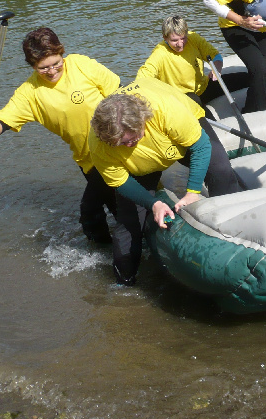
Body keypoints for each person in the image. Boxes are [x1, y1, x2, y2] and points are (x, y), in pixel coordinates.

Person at [0, 28, 121, 244]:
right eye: (43, 68)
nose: (52, 71)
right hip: (90, 161)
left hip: (119, 147)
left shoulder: (81, 64)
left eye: (56, 63)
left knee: (95, 209)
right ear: (32, 66)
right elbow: (3, 120)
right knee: (108, 208)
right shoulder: (30, 92)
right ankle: (111, 250)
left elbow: (120, 93)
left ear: (62, 53)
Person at [88, 78, 240, 285]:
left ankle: (236, 239)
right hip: (139, 165)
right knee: (129, 220)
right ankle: (123, 284)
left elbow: (201, 146)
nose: (128, 145)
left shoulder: (165, 110)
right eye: (121, 144)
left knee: (221, 170)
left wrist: (193, 191)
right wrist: (155, 204)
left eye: (133, 139)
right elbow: (120, 181)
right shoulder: (99, 144)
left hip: (180, 141)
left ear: (143, 121)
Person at [136, 15, 249, 112]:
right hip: (182, 97)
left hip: (203, 87)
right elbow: (143, 76)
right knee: (195, 100)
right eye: (174, 40)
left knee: (246, 78)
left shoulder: (193, 38)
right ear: (165, 37)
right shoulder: (160, 53)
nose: (180, 44)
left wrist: (217, 70)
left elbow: (215, 55)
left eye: (183, 38)